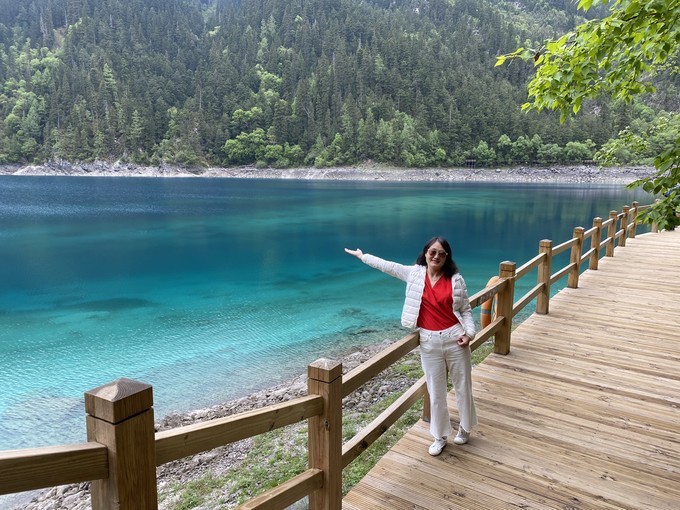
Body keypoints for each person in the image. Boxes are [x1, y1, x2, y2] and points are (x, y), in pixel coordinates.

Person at [344, 237, 477, 456]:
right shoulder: (414, 274)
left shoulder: (455, 280)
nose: (436, 256)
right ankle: (440, 436)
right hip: (429, 342)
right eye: (432, 252)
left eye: (441, 253)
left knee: (463, 386)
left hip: (455, 339)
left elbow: (466, 311)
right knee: (436, 392)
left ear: (447, 257)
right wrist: (363, 256)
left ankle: (464, 427)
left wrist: (469, 333)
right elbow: (388, 266)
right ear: (425, 253)